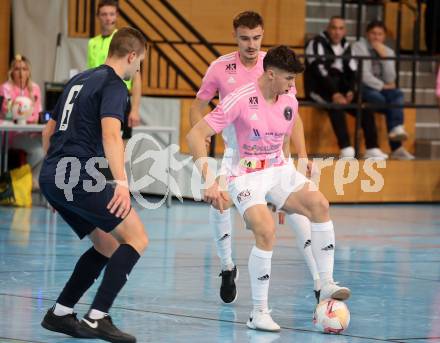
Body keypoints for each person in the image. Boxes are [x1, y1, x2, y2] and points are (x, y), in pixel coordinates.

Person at [187, 45, 351, 332]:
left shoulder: (289, 100)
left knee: (320, 205)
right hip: (245, 174)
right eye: (289, 79)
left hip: (278, 169)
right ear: (271, 74)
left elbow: (284, 138)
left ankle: (325, 283)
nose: (293, 85)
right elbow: (195, 134)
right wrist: (209, 180)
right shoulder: (239, 99)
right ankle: (258, 312)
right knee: (266, 230)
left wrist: (289, 190)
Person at [190, 11, 322, 305]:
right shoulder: (219, 68)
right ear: (235, 36)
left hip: (275, 154)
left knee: (300, 213)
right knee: (219, 203)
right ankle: (227, 267)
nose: (251, 44)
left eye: (257, 38)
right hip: (237, 156)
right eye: (244, 38)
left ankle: (319, 282)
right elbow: (197, 106)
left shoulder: (275, 67)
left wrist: (301, 156)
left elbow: (292, 117)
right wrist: (202, 131)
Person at [39, 27, 148, 343]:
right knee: (136, 237)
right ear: (131, 56)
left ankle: (60, 312)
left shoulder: (79, 79)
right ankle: (98, 317)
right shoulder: (115, 85)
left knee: (107, 245)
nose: (137, 68)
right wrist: (121, 183)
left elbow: (48, 131)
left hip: (52, 175)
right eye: (139, 62)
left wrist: (55, 177)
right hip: (79, 175)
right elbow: (111, 134)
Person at [305, 16, 387, 159]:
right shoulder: (316, 43)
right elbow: (319, 72)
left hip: (341, 90)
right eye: (334, 28)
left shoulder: (346, 46)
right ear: (328, 29)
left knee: (364, 106)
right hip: (318, 89)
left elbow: (353, 71)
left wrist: (350, 90)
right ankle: (346, 148)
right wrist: (335, 93)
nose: (337, 32)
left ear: (345, 31)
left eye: (341, 28)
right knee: (335, 105)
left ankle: (372, 148)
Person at [352, 20, 415, 160]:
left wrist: (385, 58)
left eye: (380, 34)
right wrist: (383, 86)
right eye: (373, 33)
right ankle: (397, 146)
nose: (376, 37)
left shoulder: (388, 51)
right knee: (388, 102)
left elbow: (391, 77)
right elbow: (363, 75)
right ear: (367, 34)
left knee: (397, 93)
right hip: (365, 88)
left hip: (382, 90)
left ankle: (396, 130)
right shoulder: (359, 47)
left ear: (384, 36)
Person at [88, 0, 142, 140]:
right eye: (104, 14)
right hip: (97, 97)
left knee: (120, 143)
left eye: (111, 14)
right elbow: (91, 73)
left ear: (117, 15)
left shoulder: (125, 40)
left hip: (120, 95)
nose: (108, 18)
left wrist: (135, 109)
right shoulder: (92, 43)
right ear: (98, 16)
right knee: (97, 140)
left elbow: (136, 76)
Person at [0, 54, 44, 189]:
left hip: (31, 133)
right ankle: (26, 182)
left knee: (50, 145)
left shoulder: (35, 88)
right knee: (39, 152)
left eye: (24, 69)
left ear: (29, 72)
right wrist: (28, 117)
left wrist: (31, 118)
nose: (21, 73)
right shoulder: (5, 88)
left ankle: (33, 182)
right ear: (11, 72)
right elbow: (8, 113)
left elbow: (38, 114)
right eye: (17, 69)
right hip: (11, 134)